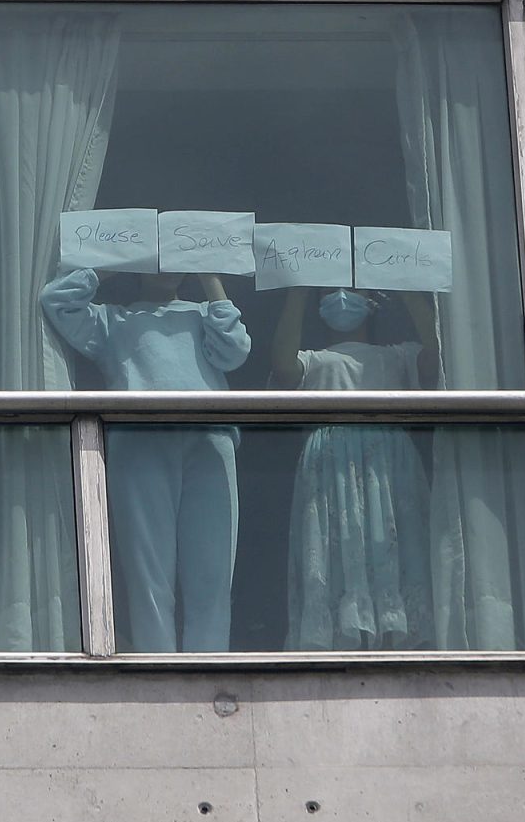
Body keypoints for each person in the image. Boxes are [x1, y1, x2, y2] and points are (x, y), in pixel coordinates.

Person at [41, 266, 250, 652]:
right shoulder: (113, 318)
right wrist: (107, 264)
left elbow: (235, 351)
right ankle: (159, 670)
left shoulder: (203, 314)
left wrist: (210, 277)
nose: (164, 266)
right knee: (148, 576)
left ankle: (209, 670)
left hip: (209, 440)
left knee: (213, 576)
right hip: (141, 441)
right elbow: (57, 303)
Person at [271, 285, 440, 650]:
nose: (341, 294)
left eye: (351, 286)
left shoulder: (396, 357)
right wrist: (298, 291)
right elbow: (283, 367)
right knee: (338, 550)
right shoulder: (313, 360)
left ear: (373, 301)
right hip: (333, 466)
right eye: (330, 289)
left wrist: (409, 290)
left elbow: (434, 354)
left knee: (390, 547)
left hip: (386, 465)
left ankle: (393, 633)